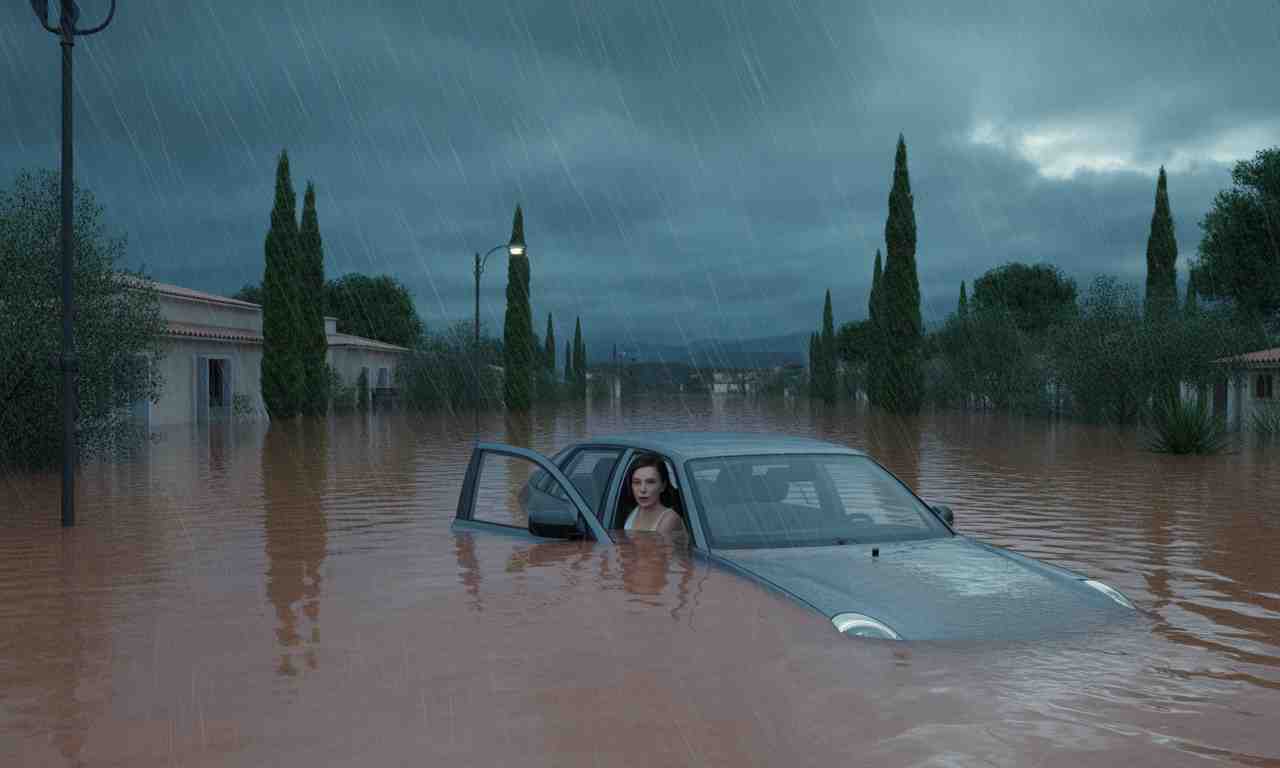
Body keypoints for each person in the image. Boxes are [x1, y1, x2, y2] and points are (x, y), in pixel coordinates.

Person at [623, 453, 683, 535]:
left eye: (650, 482)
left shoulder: (669, 519)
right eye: (637, 482)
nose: (642, 489)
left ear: (663, 486)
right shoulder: (632, 512)